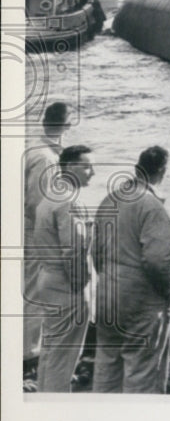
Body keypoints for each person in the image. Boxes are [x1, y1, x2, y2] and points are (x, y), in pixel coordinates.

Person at [93, 146, 170, 393]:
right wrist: (168, 289)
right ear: (162, 171)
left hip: (107, 292)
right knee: (141, 372)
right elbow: (156, 261)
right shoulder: (152, 207)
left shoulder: (109, 199)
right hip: (140, 298)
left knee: (106, 367)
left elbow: (96, 252)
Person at [34, 145, 96, 391]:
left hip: (48, 278)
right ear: (70, 167)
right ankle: (56, 406)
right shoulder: (70, 201)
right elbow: (74, 250)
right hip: (65, 283)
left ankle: (43, 398)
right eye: (87, 166)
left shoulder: (50, 196)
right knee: (64, 356)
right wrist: (81, 288)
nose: (92, 172)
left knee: (50, 350)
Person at [23, 102, 72, 363]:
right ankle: (28, 351)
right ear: (65, 126)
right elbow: (36, 204)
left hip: (29, 228)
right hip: (36, 232)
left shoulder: (35, 147)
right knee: (34, 290)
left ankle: (28, 345)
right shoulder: (47, 158)